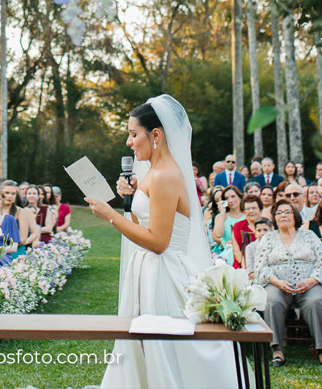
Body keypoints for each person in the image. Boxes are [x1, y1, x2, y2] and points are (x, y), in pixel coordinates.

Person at [86, 96, 237, 388]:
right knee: (143, 344)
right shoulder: (150, 174)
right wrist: (129, 200)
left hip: (164, 275)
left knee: (164, 348)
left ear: (155, 134)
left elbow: (158, 242)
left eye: (133, 134)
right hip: (146, 269)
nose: (129, 142)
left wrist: (110, 215)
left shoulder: (165, 176)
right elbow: (142, 227)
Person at [254, 199, 322, 370]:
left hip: (310, 284)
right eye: (279, 213)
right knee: (272, 301)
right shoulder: (268, 239)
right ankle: (277, 350)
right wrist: (277, 282)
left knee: (316, 302)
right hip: (278, 285)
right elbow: (260, 267)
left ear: (295, 216)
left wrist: (311, 280)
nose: (283, 215)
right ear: (274, 218)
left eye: (287, 212)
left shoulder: (309, 236)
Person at [210, 185, 245, 265]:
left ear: (239, 198)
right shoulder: (221, 217)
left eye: (233, 196)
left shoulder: (246, 215)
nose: (230, 200)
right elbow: (218, 234)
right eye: (226, 198)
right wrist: (222, 213)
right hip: (228, 254)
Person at [231, 194, 263, 269]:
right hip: (242, 265)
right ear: (244, 212)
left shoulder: (266, 226)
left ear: (260, 210)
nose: (251, 211)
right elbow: (236, 251)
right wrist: (246, 267)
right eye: (248, 209)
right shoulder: (238, 226)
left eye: (254, 208)